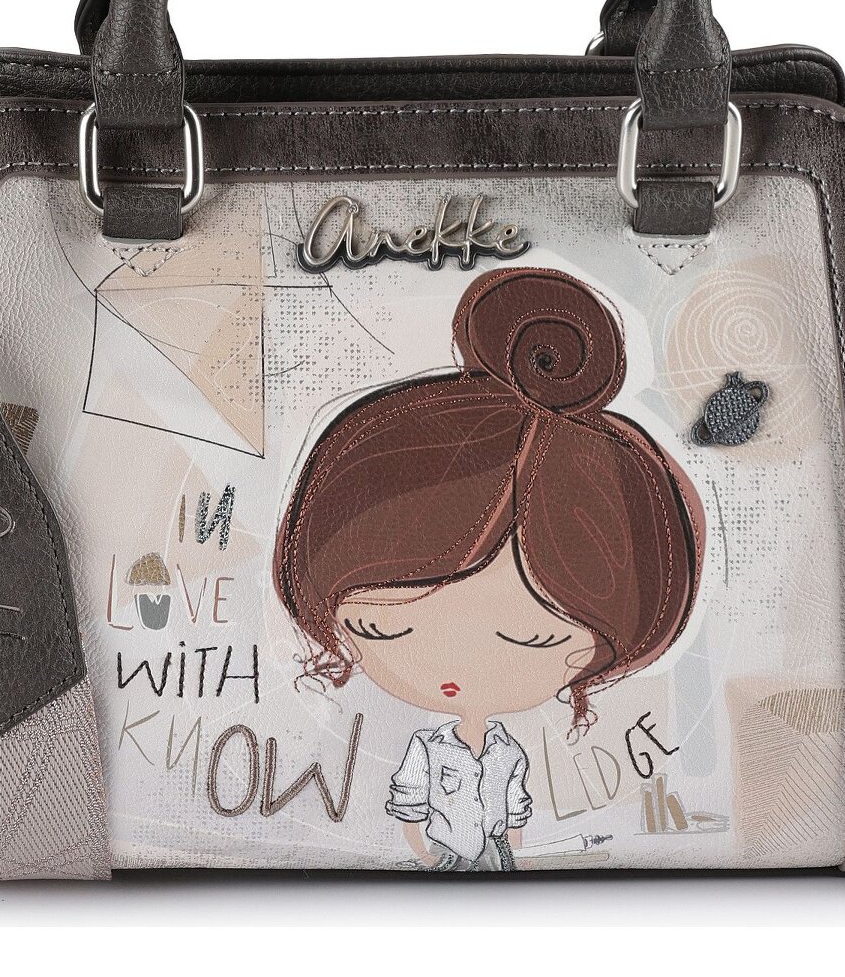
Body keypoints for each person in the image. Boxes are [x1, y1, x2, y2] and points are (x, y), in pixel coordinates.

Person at [274, 266, 706, 870]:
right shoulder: (428, 752)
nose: (455, 668)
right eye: (381, 628)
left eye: (531, 638)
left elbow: (514, 809)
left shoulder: (508, 756)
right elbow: (411, 804)